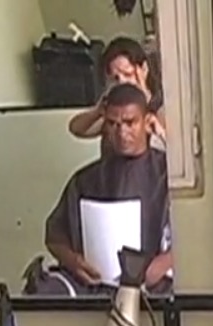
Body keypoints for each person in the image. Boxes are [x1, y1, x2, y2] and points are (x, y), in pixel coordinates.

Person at [41, 82, 172, 295]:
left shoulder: (168, 176)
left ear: (147, 122)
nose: (121, 132)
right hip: (94, 284)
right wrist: (73, 261)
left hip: (153, 284)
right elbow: (55, 236)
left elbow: (197, 235)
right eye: (113, 123)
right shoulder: (86, 180)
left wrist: (164, 262)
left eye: (130, 123)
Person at [67, 36, 167, 150]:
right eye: (116, 78)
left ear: (143, 69)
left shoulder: (160, 103)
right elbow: (77, 129)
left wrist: (146, 99)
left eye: (128, 74)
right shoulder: (114, 110)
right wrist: (97, 111)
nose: (122, 82)